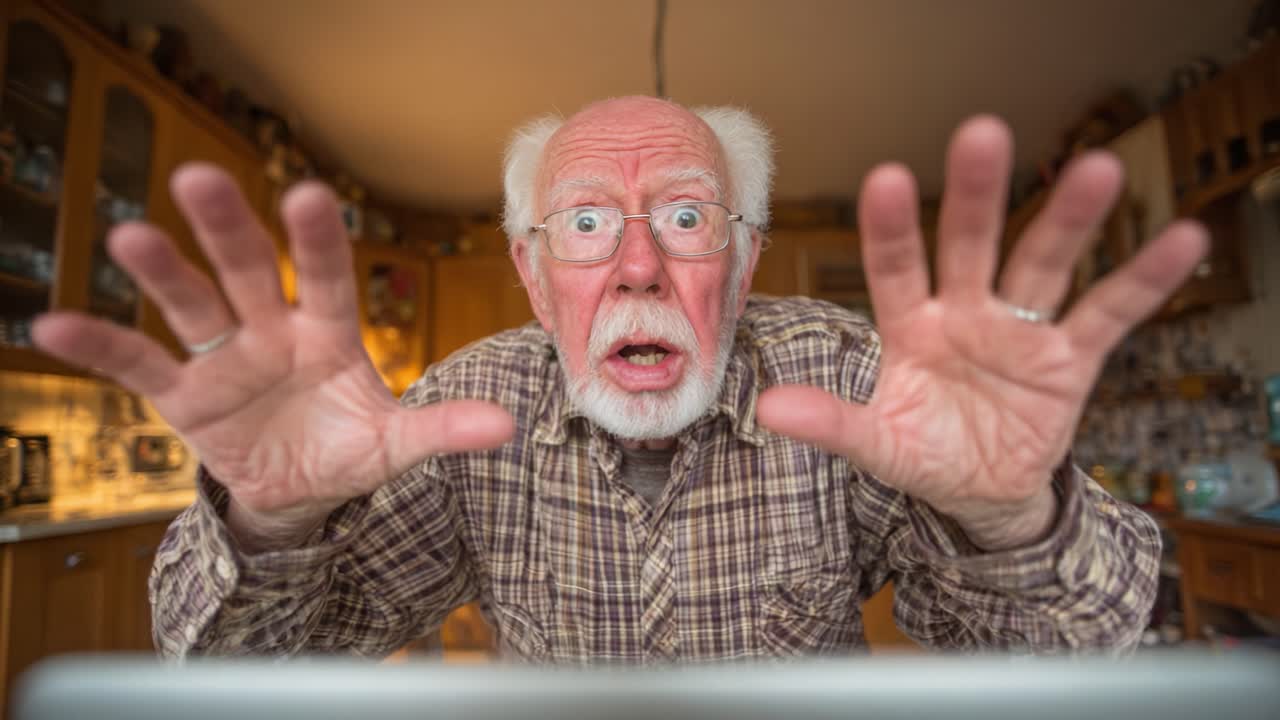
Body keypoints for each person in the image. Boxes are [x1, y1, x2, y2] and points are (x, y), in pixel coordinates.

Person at [34, 96, 1206, 662]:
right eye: (586, 222)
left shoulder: (855, 381)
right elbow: (254, 680)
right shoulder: (463, 410)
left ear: (741, 264)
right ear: (534, 275)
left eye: (688, 219)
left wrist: (1009, 519)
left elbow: (1065, 668)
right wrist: (276, 522)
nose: (639, 264)